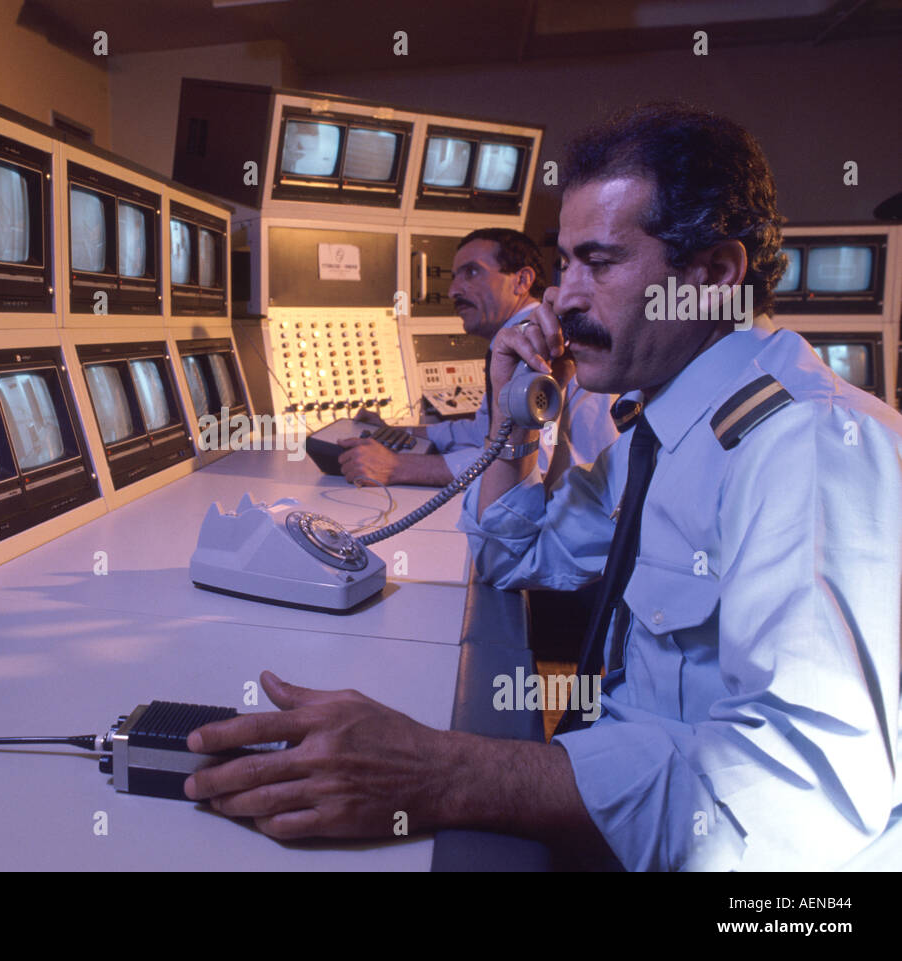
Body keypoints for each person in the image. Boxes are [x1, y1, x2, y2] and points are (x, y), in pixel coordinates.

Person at [182, 103, 902, 870]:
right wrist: (512, 419)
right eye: (565, 265)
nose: (564, 299)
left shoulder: (806, 448)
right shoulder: (663, 431)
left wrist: (448, 770)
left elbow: (807, 796)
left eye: (601, 262)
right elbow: (515, 557)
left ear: (714, 277)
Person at [337, 228, 617, 489]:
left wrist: (398, 466)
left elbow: (530, 463)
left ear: (521, 281)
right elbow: (483, 431)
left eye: (471, 273)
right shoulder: (514, 339)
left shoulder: (536, 342)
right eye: (454, 276)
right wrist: (399, 431)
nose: (453, 291)